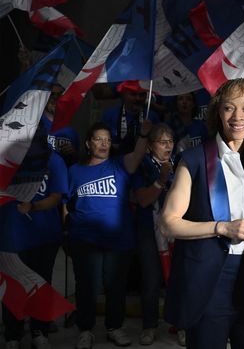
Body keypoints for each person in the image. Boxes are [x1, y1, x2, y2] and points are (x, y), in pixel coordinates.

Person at [161, 79, 244, 349]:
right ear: (218, 112)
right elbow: (168, 224)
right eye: (229, 108)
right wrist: (222, 228)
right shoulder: (195, 159)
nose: (238, 117)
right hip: (210, 282)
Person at [67, 120, 151, 349]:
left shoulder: (119, 165)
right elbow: (65, 202)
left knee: (116, 286)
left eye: (107, 139)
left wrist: (143, 134)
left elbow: (137, 155)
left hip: (119, 240)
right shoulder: (75, 171)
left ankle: (115, 327)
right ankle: (85, 330)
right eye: (98, 139)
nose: (104, 144)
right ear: (88, 143)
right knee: (87, 287)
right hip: (84, 239)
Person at [0, 151, 67, 349]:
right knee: (13, 286)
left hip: (44, 235)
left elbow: (56, 196)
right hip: (11, 234)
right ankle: (13, 334)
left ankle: (40, 331)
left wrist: (34, 206)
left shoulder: (53, 159)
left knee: (41, 284)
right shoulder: (6, 157)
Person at [131, 123, 178, 346]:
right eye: (162, 142)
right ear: (150, 146)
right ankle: (149, 326)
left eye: (170, 141)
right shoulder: (142, 167)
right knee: (151, 280)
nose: (168, 146)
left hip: (178, 230)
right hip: (149, 229)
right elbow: (143, 199)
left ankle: (180, 324)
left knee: (179, 280)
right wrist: (161, 179)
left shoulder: (181, 163)